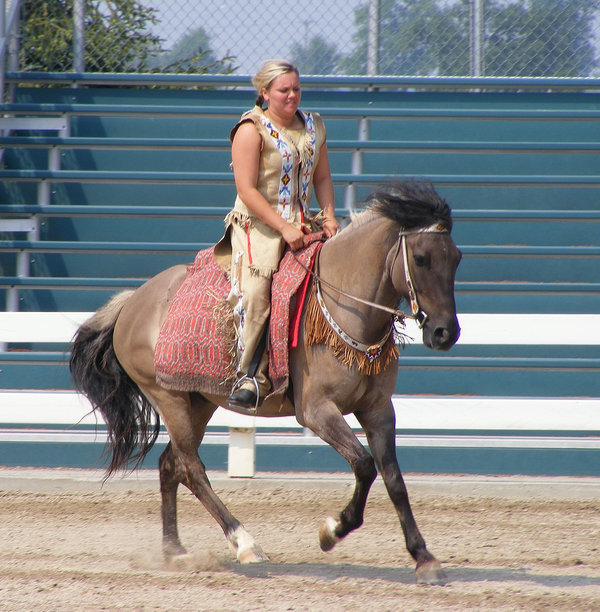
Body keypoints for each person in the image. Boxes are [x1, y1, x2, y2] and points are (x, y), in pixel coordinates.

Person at [223, 59, 339, 411]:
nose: (292, 96)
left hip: (306, 223)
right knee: (258, 292)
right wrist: (284, 227)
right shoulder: (250, 129)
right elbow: (246, 189)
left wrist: (330, 215)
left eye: (296, 89)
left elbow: (322, 178)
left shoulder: (313, 126)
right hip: (257, 225)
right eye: (283, 90)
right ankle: (249, 376)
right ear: (264, 93)